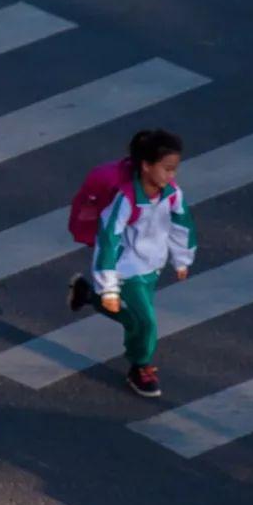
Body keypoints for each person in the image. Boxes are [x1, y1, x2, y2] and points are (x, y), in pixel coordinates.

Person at [69, 129, 196, 398]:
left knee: (135, 320)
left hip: (153, 266)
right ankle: (140, 367)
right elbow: (107, 241)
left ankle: (88, 295)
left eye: (174, 169)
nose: (172, 176)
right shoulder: (125, 200)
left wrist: (181, 258)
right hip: (127, 270)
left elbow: (181, 225)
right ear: (146, 166)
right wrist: (110, 286)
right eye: (167, 169)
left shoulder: (172, 194)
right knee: (146, 322)